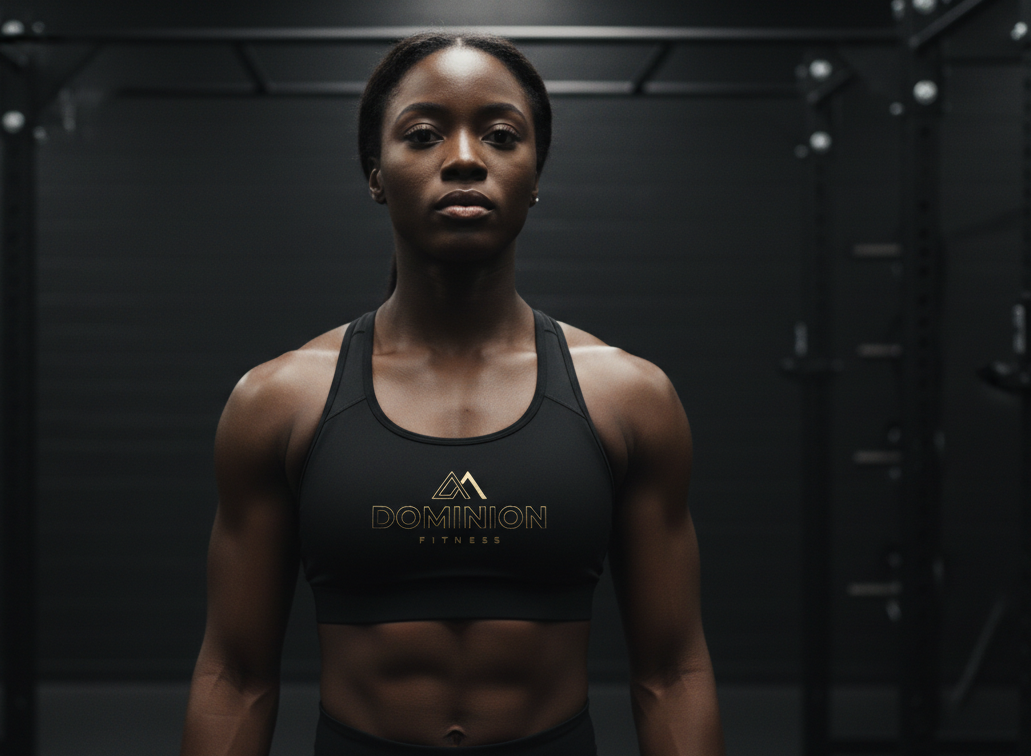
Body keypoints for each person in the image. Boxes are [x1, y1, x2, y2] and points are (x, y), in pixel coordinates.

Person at [180, 33, 723, 756]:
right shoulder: (278, 402)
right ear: (377, 173)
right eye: (424, 134)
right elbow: (235, 676)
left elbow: (673, 673)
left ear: (535, 174)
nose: (464, 158)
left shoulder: (629, 398)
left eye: (501, 135)